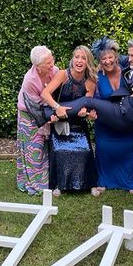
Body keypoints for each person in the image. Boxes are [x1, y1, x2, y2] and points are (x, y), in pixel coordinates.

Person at [36, 37, 133, 133]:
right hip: (118, 109)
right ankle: (50, 112)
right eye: (129, 55)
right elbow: (109, 57)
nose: (129, 59)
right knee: (88, 103)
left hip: (127, 115)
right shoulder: (131, 64)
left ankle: (47, 113)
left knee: (87, 101)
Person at [40, 46, 98, 197]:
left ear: (88, 62)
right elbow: (45, 94)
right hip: (61, 123)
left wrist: (85, 113)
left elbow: (88, 104)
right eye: (77, 57)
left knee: (85, 151)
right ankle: (60, 184)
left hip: (78, 124)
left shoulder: (90, 81)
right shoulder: (62, 74)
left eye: (83, 58)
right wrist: (57, 107)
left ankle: (89, 183)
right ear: (73, 59)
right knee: (60, 151)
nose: (79, 61)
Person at [90, 37, 133, 194]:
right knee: (104, 149)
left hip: (127, 119)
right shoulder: (97, 76)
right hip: (105, 121)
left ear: (116, 57)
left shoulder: (128, 72)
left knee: (127, 149)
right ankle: (103, 180)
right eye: (103, 58)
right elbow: (94, 98)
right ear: (99, 60)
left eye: (110, 57)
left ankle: (129, 182)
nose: (107, 61)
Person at [16, 45, 59, 194]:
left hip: (47, 111)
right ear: (38, 66)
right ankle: (34, 183)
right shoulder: (30, 80)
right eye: (48, 62)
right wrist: (49, 117)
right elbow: (35, 107)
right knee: (33, 148)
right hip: (29, 113)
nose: (52, 64)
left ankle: (48, 179)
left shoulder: (55, 71)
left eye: (51, 59)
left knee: (46, 146)